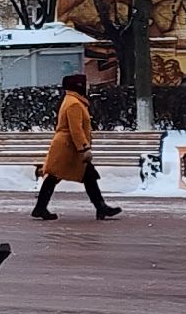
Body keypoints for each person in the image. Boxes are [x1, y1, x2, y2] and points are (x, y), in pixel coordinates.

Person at [33, 74, 123, 221]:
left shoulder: (72, 100)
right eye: (84, 84)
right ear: (78, 86)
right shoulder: (74, 103)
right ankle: (100, 207)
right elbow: (76, 129)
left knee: (83, 176)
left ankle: (100, 207)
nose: (86, 87)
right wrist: (84, 148)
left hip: (68, 146)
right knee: (63, 176)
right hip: (69, 148)